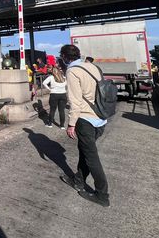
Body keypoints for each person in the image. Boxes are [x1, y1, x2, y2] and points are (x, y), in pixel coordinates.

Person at [60, 44, 110, 207]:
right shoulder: (92, 66)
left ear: (65, 58)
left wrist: (71, 124)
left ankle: (102, 195)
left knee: (91, 157)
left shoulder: (72, 71)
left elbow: (75, 101)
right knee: (85, 152)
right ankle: (78, 180)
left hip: (85, 119)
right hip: (100, 118)